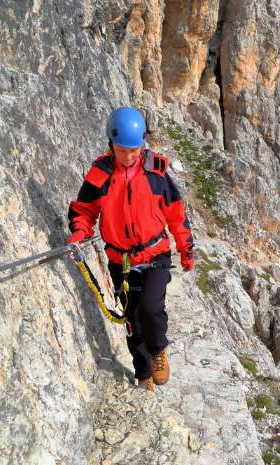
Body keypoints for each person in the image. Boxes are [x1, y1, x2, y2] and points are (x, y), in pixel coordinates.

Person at [67, 107, 195, 392]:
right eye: (122, 150)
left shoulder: (156, 173)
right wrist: (79, 231)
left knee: (150, 307)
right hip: (120, 260)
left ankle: (159, 350)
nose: (128, 156)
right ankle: (143, 374)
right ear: (111, 144)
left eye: (134, 150)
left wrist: (186, 247)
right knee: (132, 320)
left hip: (155, 254)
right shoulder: (100, 175)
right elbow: (84, 209)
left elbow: (176, 213)